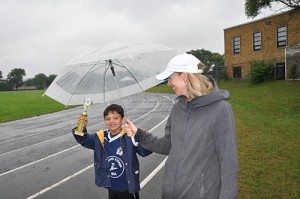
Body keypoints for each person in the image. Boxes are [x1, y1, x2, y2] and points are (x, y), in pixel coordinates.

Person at [125, 53, 238, 199]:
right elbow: (167, 145)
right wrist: (139, 134)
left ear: (184, 77)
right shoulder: (178, 108)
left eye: (170, 78)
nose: (168, 83)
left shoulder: (221, 109)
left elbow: (229, 164)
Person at [72, 104, 152, 199]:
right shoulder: (100, 137)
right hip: (111, 187)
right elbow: (84, 140)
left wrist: (142, 137)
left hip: (128, 188)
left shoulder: (129, 136)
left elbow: (145, 152)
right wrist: (81, 128)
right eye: (108, 119)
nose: (112, 121)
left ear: (122, 119)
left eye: (116, 118)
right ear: (104, 120)